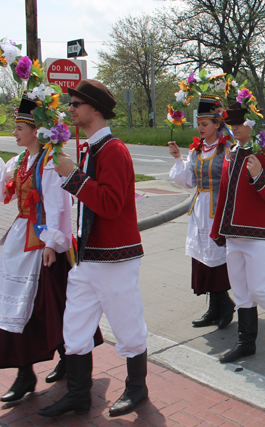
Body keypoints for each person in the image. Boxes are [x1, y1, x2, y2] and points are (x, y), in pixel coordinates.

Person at [38, 80, 149, 418]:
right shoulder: (91, 148)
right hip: (88, 256)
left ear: (95, 109)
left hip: (115, 256)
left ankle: (136, 388)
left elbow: (112, 204)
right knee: (74, 326)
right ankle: (78, 394)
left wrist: (73, 176)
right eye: (70, 103)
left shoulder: (114, 149)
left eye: (76, 103)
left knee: (128, 325)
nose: (70, 109)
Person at [0, 96, 74, 402]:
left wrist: (51, 243)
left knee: (51, 306)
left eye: (19, 128)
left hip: (42, 242)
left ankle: (70, 356)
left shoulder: (47, 162)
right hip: (20, 238)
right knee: (18, 307)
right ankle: (24, 372)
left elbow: (59, 204)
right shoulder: (19, 162)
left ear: (36, 130)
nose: (14, 133)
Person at [210, 102, 265, 364]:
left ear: (252, 123)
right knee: (241, 291)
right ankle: (246, 343)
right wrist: (219, 230)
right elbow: (224, 195)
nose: (234, 127)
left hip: (260, 234)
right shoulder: (231, 153)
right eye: (231, 122)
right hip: (233, 234)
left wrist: (259, 176)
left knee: (259, 288)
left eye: (240, 122)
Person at [168, 95, 234, 329]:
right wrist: (178, 159)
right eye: (199, 124)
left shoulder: (227, 148)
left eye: (205, 124)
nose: (201, 128)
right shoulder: (196, 150)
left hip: (219, 208)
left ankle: (225, 304)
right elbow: (188, 182)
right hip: (200, 208)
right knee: (203, 259)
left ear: (217, 124)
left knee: (219, 258)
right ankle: (214, 307)